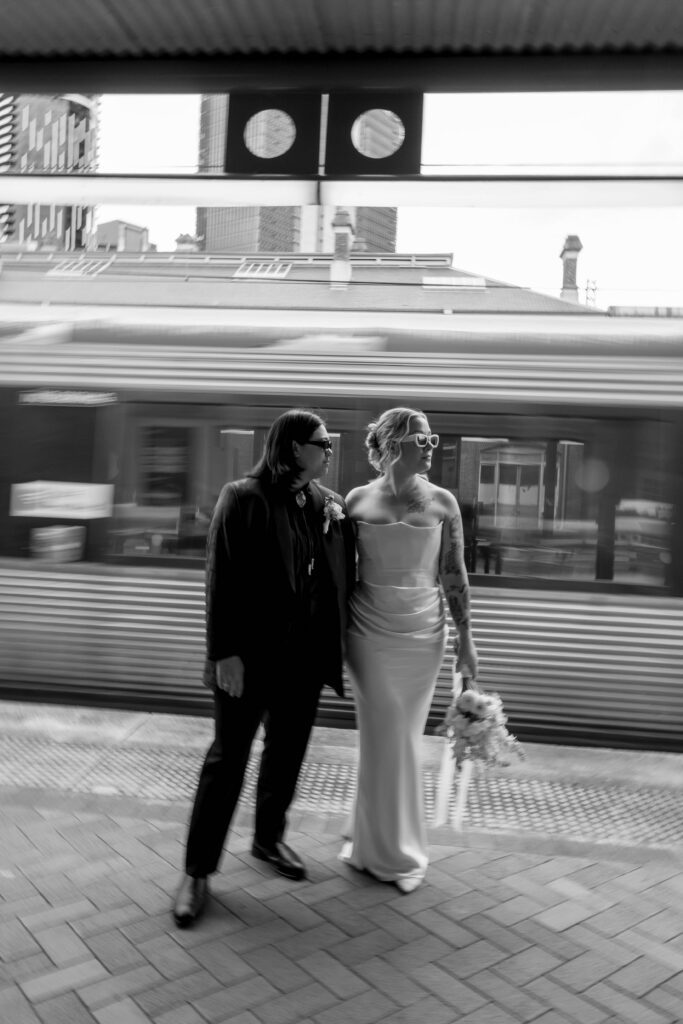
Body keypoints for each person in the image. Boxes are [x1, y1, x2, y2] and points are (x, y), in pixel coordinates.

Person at [173, 409, 356, 928]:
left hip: (302, 661)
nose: (330, 450)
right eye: (323, 442)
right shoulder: (243, 497)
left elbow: (339, 578)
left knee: (287, 753)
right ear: (295, 447)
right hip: (248, 661)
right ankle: (197, 871)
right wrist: (223, 654)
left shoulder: (327, 504)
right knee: (227, 760)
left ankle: (268, 840)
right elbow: (220, 580)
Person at [340, 407, 479, 893]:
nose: (431, 447)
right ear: (394, 443)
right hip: (367, 633)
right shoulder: (355, 501)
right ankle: (393, 852)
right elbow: (339, 575)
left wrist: (467, 640)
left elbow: (454, 575)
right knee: (385, 736)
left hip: (424, 637)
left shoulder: (443, 503)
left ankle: (373, 838)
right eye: (424, 439)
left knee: (398, 737)